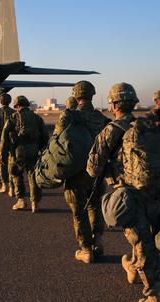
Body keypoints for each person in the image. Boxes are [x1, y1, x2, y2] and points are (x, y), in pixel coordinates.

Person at [87, 82, 160, 301]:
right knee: (145, 235)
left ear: (114, 105)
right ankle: (133, 269)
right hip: (153, 190)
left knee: (142, 242)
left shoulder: (112, 130)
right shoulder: (147, 126)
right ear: (132, 103)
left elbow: (93, 168)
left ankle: (152, 294)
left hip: (130, 194)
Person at [54, 82, 110, 264]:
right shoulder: (101, 118)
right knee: (95, 205)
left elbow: (56, 141)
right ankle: (98, 240)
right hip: (96, 172)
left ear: (76, 96)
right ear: (92, 95)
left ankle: (86, 249)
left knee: (79, 211)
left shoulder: (69, 116)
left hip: (75, 172)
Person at [1, 95, 47, 212]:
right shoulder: (37, 118)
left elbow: (4, 137)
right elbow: (45, 137)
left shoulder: (12, 118)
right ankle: (35, 203)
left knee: (16, 174)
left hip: (18, 151)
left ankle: (21, 200)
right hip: (34, 150)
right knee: (33, 176)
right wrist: (42, 151)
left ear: (17, 105)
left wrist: (3, 153)